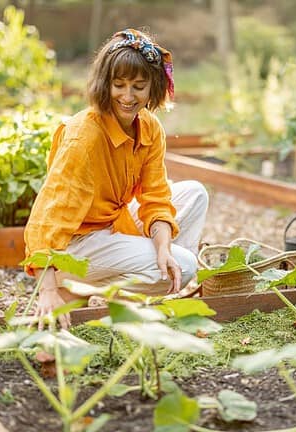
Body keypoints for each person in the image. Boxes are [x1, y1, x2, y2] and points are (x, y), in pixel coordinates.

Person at [24, 29, 208, 327]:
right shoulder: (84, 138)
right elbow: (49, 217)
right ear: (104, 84)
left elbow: (156, 198)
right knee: (187, 265)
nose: (128, 96)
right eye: (119, 85)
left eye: (138, 86)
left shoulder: (148, 127)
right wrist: (46, 290)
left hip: (111, 223)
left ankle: (146, 288)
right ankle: (76, 288)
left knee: (195, 194)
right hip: (75, 245)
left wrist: (163, 248)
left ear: (153, 87)